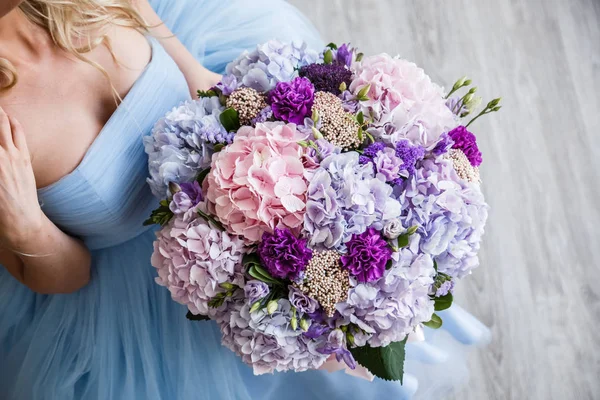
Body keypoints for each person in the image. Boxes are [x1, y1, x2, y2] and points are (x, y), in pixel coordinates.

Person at [0, 1, 490, 399]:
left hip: (248, 193)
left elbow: (203, 87)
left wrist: (306, 187)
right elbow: (70, 276)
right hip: (136, 295)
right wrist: (23, 222)